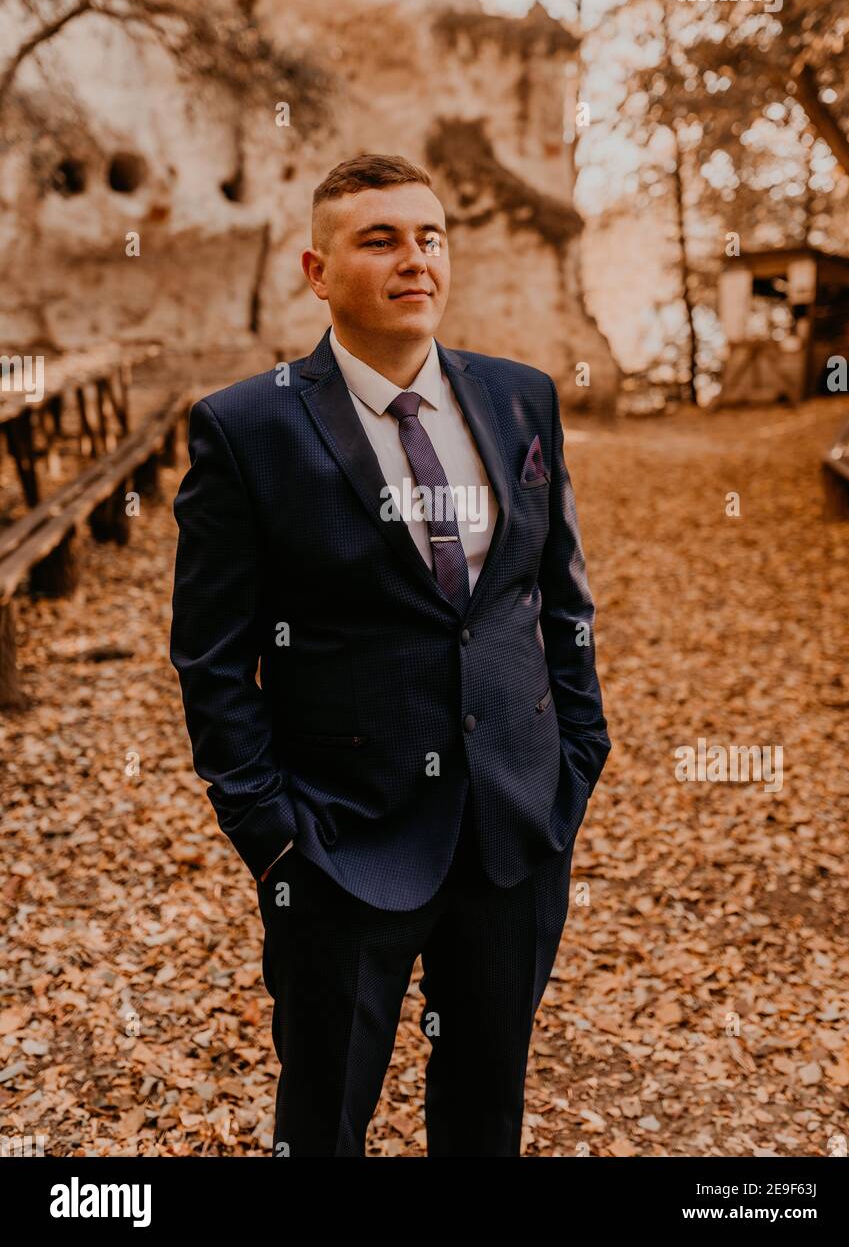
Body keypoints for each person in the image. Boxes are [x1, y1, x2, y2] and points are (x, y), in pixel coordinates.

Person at [169, 153, 611, 1157]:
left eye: (429, 235)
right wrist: (273, 833)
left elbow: (556, 594)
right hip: (340, 844)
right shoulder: (246, 429)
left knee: (485, 1109)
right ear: (317, 270)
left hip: (514, 829)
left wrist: (577, 755)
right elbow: (210, 656)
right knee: (324, 1121)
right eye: (380, 240)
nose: (415, 259)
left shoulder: (520, 398)